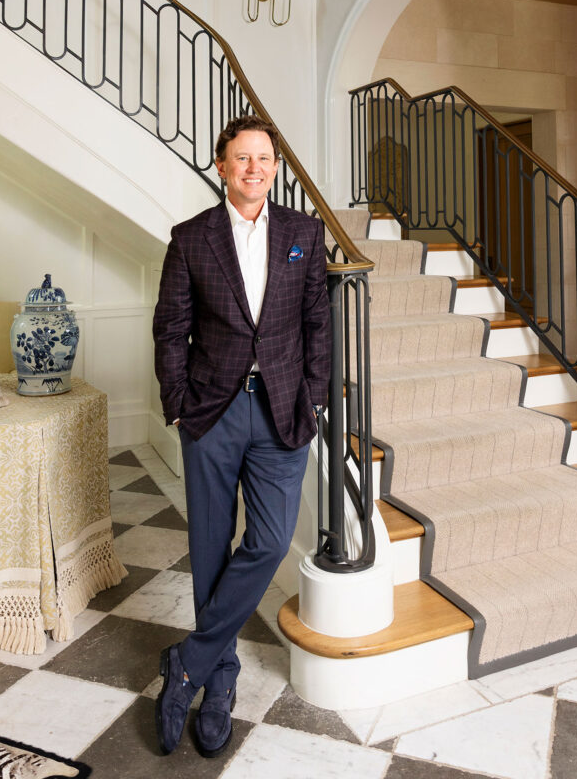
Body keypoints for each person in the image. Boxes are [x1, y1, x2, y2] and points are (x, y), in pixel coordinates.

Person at [152, 114, 330, 757]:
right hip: (210, 411)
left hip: (282, 410)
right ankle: (220, 679)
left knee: (271, 538)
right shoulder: (191, 237)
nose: (254, 168)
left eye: (264, 158)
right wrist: (177, 404)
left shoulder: (304, 234)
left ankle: (189, 663)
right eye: (241, 158)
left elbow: (318, 324)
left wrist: (313, 397)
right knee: (208, 545)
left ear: (275, 168)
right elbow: (170, 327)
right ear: (222, 166)